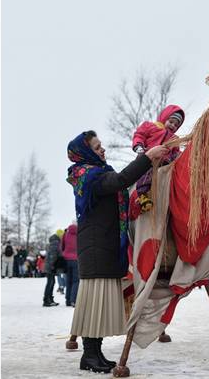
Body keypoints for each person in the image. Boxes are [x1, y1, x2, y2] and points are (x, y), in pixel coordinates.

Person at [66, 130, 168, 373]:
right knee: (94, 304)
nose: (102, 149)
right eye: (97, 146)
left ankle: (94, 353)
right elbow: (121, 180)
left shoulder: (99, 172)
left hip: (104, 247)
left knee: (98, 305)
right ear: (85, 151)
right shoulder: (88, 176)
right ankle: (89, 355)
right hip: (96, 249)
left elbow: (121, 182)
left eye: (101, 145)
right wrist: (147, 158)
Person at [131, 104, 185, 212]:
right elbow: (139, 135)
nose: (173, 126)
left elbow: (176, 152)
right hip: (148, 157)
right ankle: (142, 195)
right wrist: (138, 146)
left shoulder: (175, 139)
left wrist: (179, 157)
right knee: (147, 171)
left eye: (176, 125)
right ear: (164, 118)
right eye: (171, 121)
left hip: (165, 162)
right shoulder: (150, 126)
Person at [61, 222, 80, 306]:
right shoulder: (79, 234)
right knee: (76, 281)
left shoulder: (65, 234)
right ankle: (73, 300)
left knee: (68, 280)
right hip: (76, 259)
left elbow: (62, 246)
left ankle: (67, 300)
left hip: (66, 259)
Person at [43, 234, 63, 307]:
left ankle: (50, 299)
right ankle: (46, 300)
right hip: (51, 267)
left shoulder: (51, 245)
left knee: (52, 282)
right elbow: (53, 257)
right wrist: (53, 266)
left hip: (50, 267)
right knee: (50, 283)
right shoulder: (55, 245)